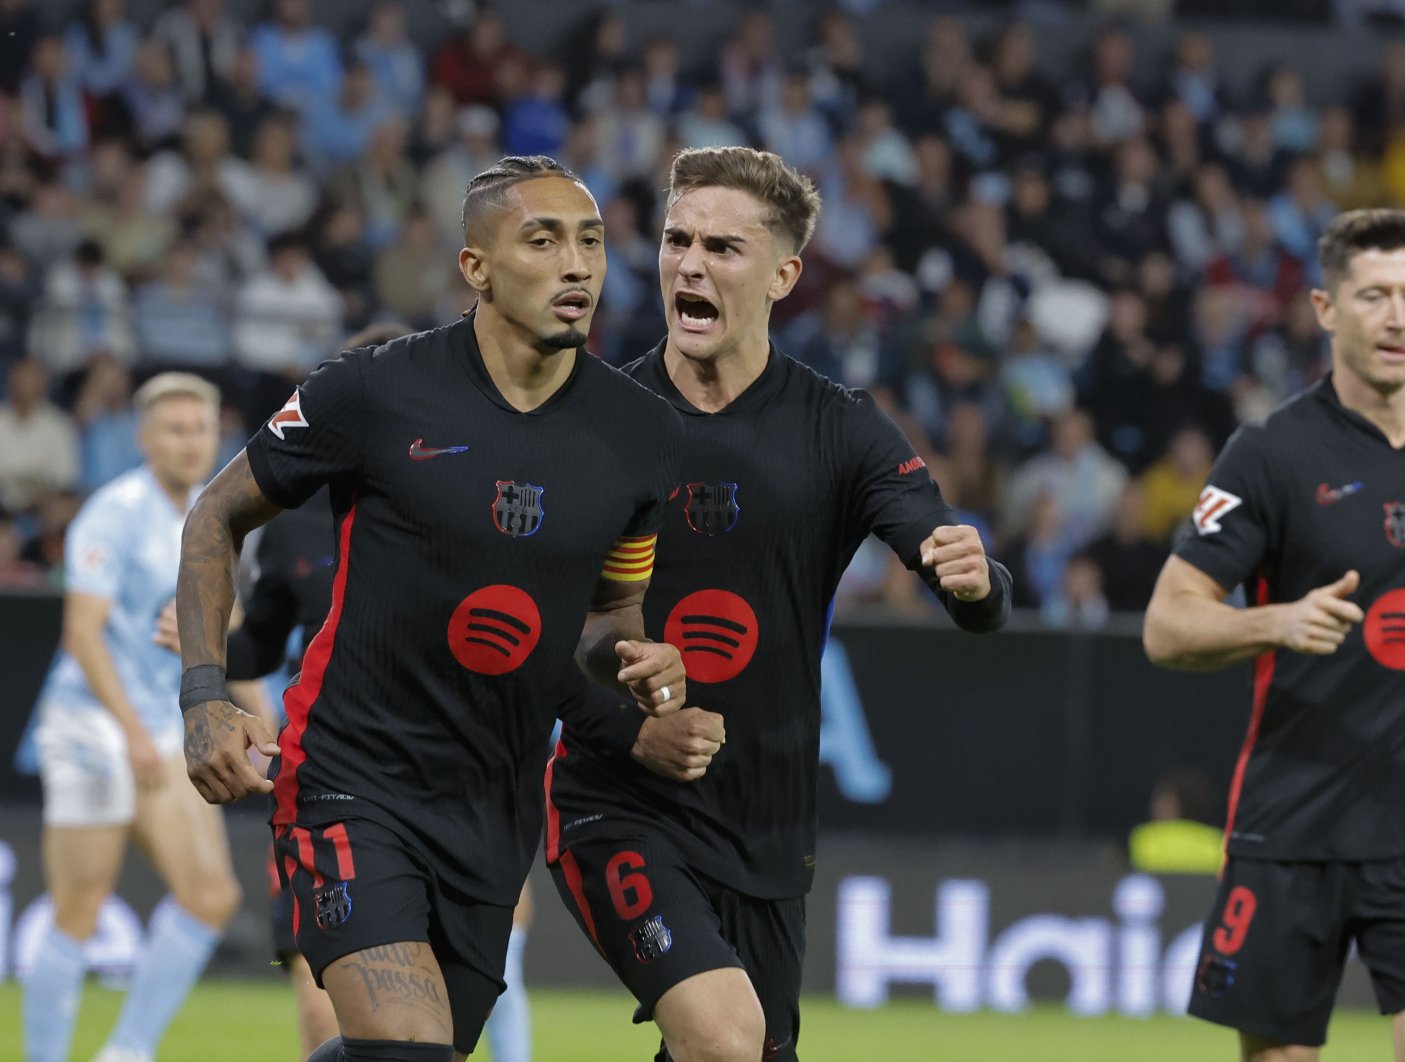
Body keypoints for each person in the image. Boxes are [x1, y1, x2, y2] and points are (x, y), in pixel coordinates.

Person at [174, 155, 688, 1062]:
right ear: (476, 269)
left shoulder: (640, 436)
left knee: (422, 1057)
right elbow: (217, 513)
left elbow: (614, 618)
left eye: (592, 242)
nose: (577, 265)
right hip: (350, 779)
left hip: (493, 807)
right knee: (408, 1048)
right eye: (543, 239)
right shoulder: (373, 389)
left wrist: (645, 667)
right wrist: (204, 694)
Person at [545, 146, 1013, 1062]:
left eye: (723, 247)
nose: (689, 263)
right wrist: (630, 732)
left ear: (784, 275)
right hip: (618, 802)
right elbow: (541, 629)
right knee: (724, 1037)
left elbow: (960, 578)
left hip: (766, 827)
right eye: (677, 240)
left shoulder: (838, 426)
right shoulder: (594, 420)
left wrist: (975, 578)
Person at [1142, 209, 1405, 1062]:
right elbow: (1167, 623)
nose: (1398, 317)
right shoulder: (1271, 455)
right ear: (1325, 307)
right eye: (1375, 296)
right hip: (1293, 825)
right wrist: (1278, 620)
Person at [155, 326, 538, 1061]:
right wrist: (207, 659)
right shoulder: (292, 522)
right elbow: (263, 637)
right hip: (339, 776)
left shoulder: (481, 505)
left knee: (434, 1036)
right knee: (336, 1020)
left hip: (467, 778)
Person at [22, 373, 237, 1062]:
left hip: (160, 725)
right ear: (142, 438)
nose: (189, 442)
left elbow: (226, 628)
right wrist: (136, 736)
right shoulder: (112, 512)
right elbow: (82, 633)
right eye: (174, 429)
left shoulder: (215, 520)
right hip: (91, 726)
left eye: (199, 429)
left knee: (211, 895)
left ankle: (126, 1052)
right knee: (79, 909)